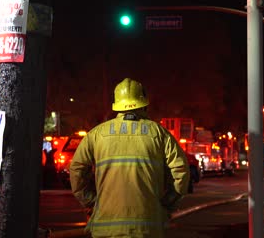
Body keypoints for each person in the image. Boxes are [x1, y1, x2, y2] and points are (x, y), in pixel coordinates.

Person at [69, 78, 190, 238]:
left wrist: (91, 201)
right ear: (144, 103)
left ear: (117, 104)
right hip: (148, 229)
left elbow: (76, 170)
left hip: (105, 229)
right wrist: (167, 204)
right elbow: (181, 171)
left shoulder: (96, 134)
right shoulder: (159, 133)